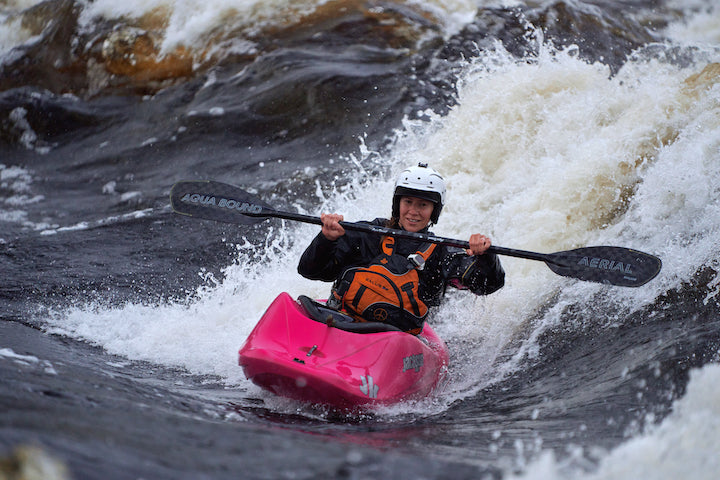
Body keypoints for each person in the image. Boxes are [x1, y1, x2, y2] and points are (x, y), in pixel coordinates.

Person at [297, 163, 504, 334]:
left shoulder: (441, 252)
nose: (413, 211)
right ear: (398, 203)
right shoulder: (369, 233)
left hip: (396, 341)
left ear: (434, 211)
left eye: (423, 205)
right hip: (341, 322)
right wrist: (326, 239)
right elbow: (310, 271)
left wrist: (486, 256)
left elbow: (486, 286)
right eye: (408, 202)